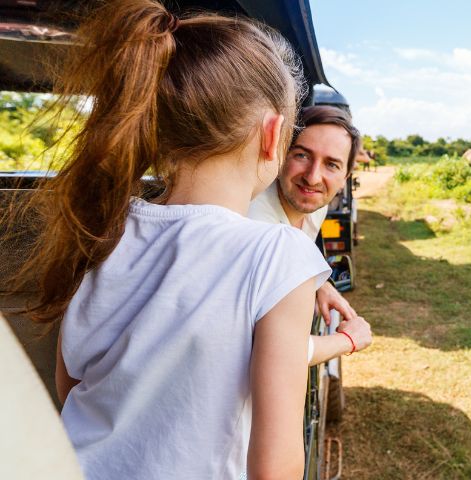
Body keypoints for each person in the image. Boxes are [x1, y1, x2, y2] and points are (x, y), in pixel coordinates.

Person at [12, 1, 325, 478]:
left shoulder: (101, 230)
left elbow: (71, 387)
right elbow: (274, 466)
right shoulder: (279, 254)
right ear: (273, 134)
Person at [248, 105, 372, 366]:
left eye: (331, 164)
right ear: (281, 153)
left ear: (345, 178)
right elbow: (277, 353)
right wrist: (349, 340)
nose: (313, 177)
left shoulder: (317, 207)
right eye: (302, 155)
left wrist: (319, 283)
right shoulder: (255, 226)